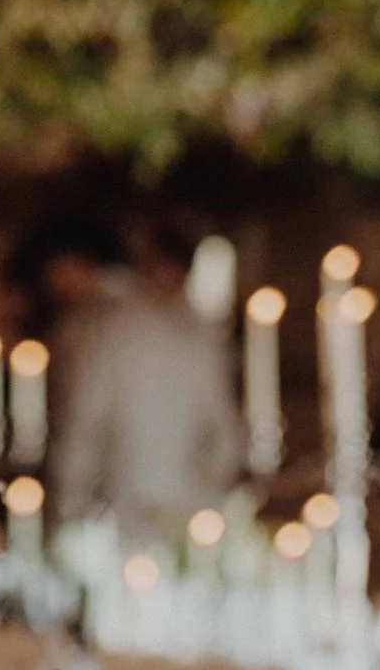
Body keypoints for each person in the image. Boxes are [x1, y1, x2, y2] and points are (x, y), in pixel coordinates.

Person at [38, 212, 244, 531]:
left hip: (184, 507)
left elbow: (224, 432)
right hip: (124, 502)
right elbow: (86, 421)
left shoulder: (198, 337)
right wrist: (70, 502)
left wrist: (209, 491)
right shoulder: (118, 330)